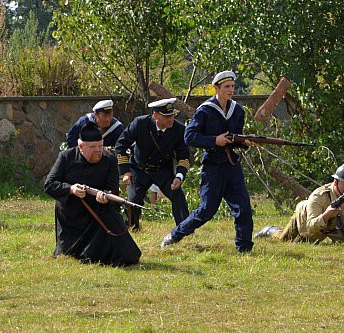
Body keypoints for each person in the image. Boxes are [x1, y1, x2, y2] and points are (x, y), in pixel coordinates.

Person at [162, 71, 254, 252]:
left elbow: (235, 139)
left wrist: (245, 143)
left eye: (233, 86)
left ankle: (244, 248)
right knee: (206, 210)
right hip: (213, 166)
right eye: (227, 86)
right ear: (216, 88)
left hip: (231, 165)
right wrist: (214, 141)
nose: (231, 90)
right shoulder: (205, 110)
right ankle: (175, 235)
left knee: (243, 208)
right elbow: (190, 137)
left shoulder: (238, 111)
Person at [43, 124, 142, 266]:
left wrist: (105, 197)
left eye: (100, 146)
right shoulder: (66, 157)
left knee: (128, 255)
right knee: (68, 254)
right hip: (71, 216)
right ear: (81, 146)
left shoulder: (109, 160)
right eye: (92, 147)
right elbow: (49, 185)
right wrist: (71, 189)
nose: (98, 151)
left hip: (97, 211)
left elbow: (112, 190)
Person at [115, 97, 191, 231]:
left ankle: (184, 229)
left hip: (162, 170)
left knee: (177, 195)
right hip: (139, 169)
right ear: (155, 115)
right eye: (167, 116)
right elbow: (121, 145)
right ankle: (133, 227)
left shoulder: (179, 130)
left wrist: (179, 176)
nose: (171, 119)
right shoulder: (140, 123)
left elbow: (183, 157)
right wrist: (125, 171)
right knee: (133, 201)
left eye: (172, 115)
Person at [255, 163, 344, 244]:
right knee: (284, 239)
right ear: (335, 182)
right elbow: (310, 226)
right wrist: (327, 215)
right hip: (303, 219)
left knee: (343, 242)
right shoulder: (319, 196)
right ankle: (269, 230)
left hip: (331, 227)